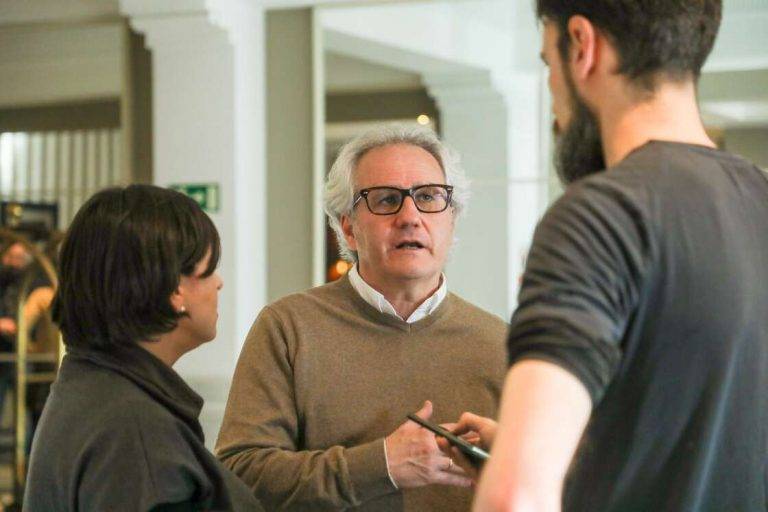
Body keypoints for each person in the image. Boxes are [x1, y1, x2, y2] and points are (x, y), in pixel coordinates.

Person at [440, 1, 768, 511]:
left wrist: (522, 467)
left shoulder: (598, 217)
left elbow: (515, 497)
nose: (552, 97)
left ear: (582, 45)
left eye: (549, 63)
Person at [215, 124, 508, 511]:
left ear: (451, 219)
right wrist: (380, 464)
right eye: (386, 200)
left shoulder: (503, 344)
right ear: (349, 228)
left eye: (428, 197)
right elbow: (238, 475)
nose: (410, 216)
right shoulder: (288, 328)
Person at [24, 185, 265, 512]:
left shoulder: (91, 389)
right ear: (174, 288)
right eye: (209, 269)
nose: (218, 282)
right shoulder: (134, 432)